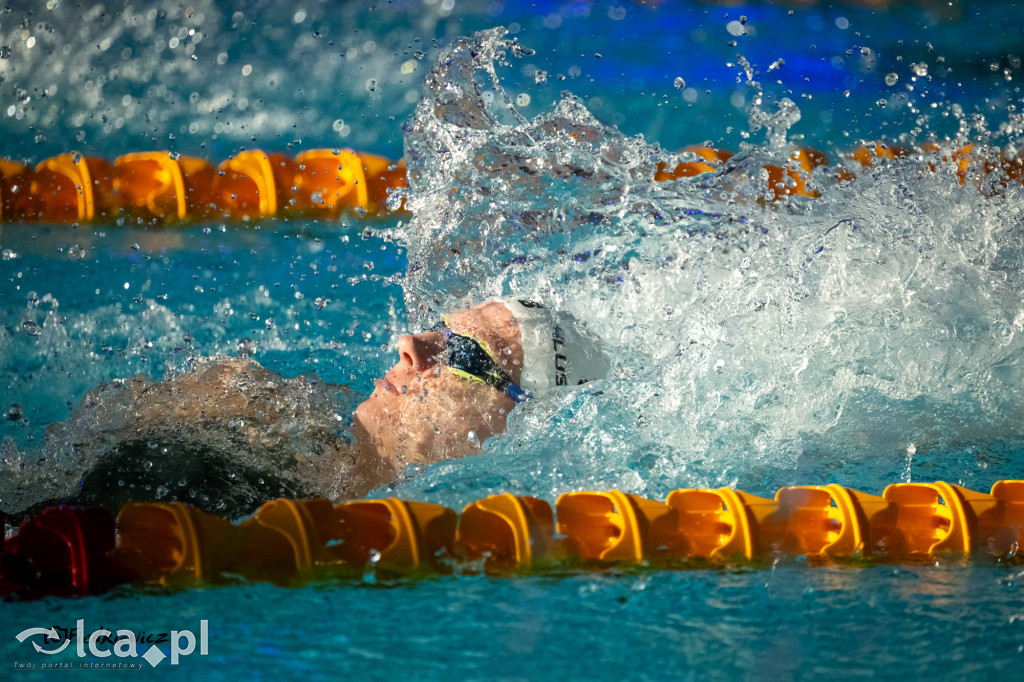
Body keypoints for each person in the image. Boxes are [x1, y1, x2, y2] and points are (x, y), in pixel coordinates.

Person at [4, 299, 609, 519]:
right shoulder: (263, 415)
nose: (411, 345)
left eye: (460, 351)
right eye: (435, 329)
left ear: (510, 422)